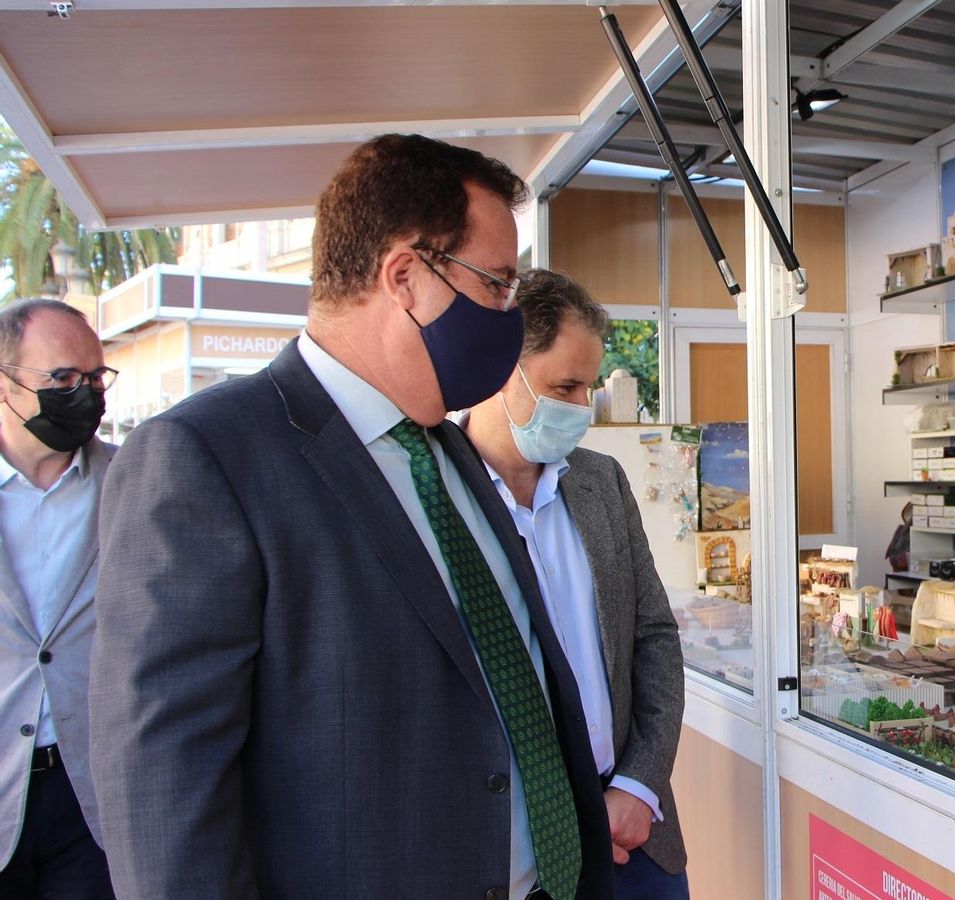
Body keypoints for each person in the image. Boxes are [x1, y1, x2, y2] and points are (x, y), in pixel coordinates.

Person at [90, 135, 613, 900]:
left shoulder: (448, 449)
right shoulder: (207, 458)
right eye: (497, 283)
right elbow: (165, 790)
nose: (509, 311)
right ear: (405, 275)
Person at [463, 270, 689, 899]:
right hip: (514, 848)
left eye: (589, 386)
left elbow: (655, 639)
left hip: (633, 833)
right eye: (565, 385)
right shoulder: (438, 496)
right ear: (499, 369)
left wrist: (639, 785)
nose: (581, 406)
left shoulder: (602, 484)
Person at [0, 301, 115, 899]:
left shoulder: (131, 483)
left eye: (96, 378)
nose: (88, 393)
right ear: (5, 385)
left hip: (90, 796)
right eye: (64, 380)